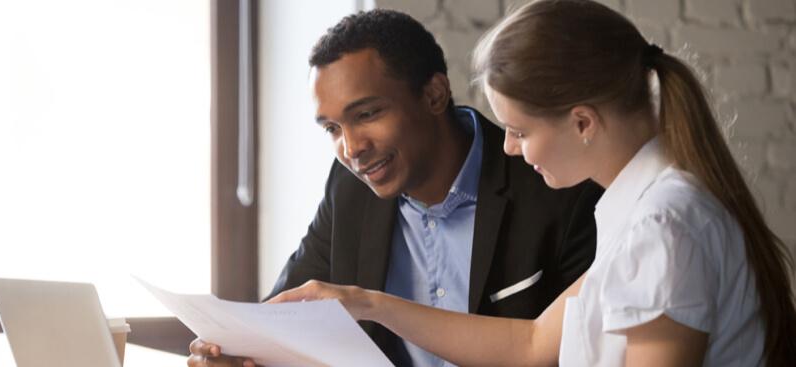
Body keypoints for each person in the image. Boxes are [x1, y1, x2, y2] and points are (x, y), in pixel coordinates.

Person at [269, 1, 796, 366]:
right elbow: (532, 341)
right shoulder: (642, 211)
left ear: (583, 122)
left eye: (520, 131)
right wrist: (367, 302)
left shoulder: (663, 225)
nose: (509, 148)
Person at [187, 9, 602, 367]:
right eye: (332, 128)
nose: (351, 149)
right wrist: (236, 351)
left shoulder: (557, 184)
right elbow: (284, 317)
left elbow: (583, 351)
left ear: (435, 94)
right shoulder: (349, 189)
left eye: (366, 114)